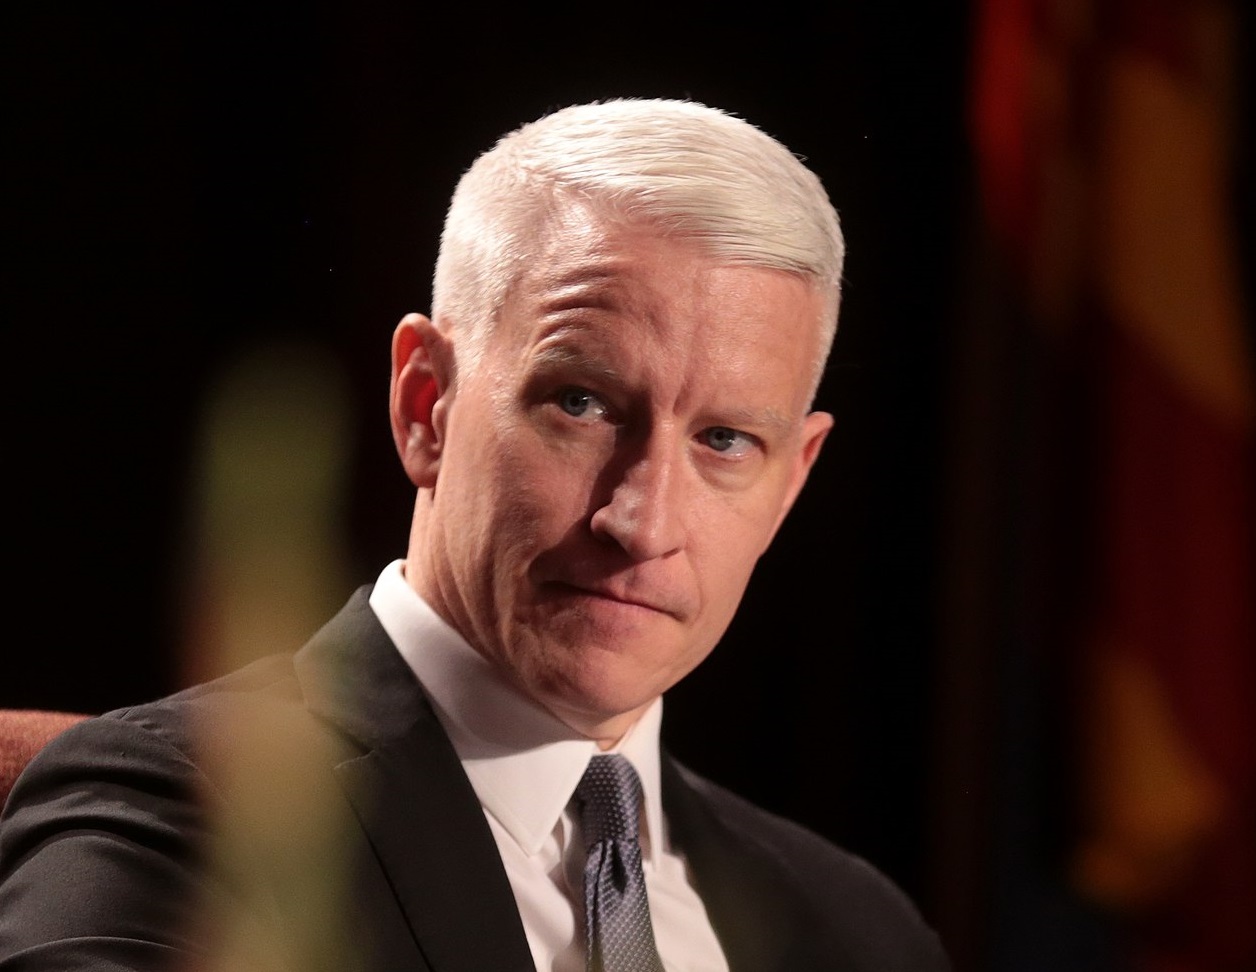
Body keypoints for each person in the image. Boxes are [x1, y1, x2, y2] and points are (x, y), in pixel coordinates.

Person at [0, 98, 949, 971]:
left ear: (791, 484)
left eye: (726, 440)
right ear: (428, 405)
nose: (642, 522)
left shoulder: (858, 932)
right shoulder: (181, 819)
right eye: (582, 403)